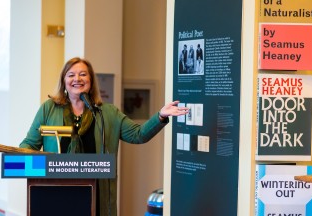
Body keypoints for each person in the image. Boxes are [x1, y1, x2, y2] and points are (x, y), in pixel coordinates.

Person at [19, 57, 189, 216]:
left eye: (83, 74)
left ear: (91, 81)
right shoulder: (48, 109)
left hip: (96, 198)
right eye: (71, 75)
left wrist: (160, 115)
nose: (77, 79)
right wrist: (18, 162)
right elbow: (30, 144)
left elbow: (139, 135)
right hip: (56, 195)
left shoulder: (107, 113)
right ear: (64, 81)